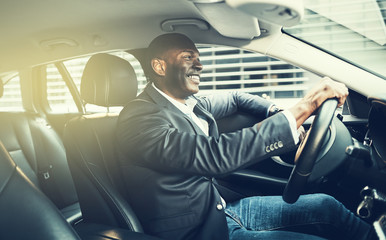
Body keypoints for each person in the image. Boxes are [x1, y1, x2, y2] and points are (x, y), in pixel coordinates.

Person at [116, 33, 375, 240]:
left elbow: (235, 98)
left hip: (221, 210)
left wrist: (278, 111)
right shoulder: (138, 118)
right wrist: (305, 106)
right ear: (160, 66)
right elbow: (213, 155)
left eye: (198, 57)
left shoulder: (188, 102)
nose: (200, 65)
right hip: (198, 231)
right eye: (188, 57)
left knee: (326, 206)